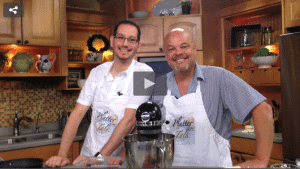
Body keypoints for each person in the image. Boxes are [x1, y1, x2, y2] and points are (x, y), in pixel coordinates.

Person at [150, 29, 274, 168]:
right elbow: (138, 123)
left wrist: (260, 161)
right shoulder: (158, 84)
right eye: (171, 49)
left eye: (184, 46)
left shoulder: (218, 77)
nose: (178, 52)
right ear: (165, 54)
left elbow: (264, 110)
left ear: (195, 49)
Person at [45, 20, 153, 168]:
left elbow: (130, 120)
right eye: (121, 37)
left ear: (138, 45)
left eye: (131, 40)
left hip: (117, 160)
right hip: (88, 155)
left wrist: (99, 158)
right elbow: (77, 114)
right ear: (112, 40)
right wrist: (61, 156)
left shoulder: (145, 74)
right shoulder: (97, 72)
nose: (125, 44)